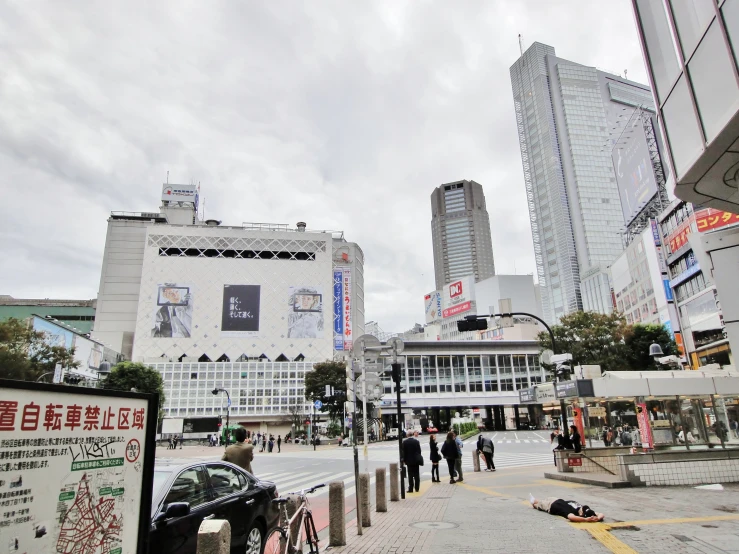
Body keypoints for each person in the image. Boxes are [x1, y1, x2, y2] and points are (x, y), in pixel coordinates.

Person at [530, 496, 604, 522]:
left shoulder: (573, 512)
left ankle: (534, 503)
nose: (582, 508)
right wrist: (598, 518)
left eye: (582, 510)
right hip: (558, 500)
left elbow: (571, 517)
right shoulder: (584, 509)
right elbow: (601, 514)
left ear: (581, 514)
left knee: (537, 504)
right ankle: (535, 501)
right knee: (543, 500)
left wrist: (586, 520)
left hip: (551, 506)